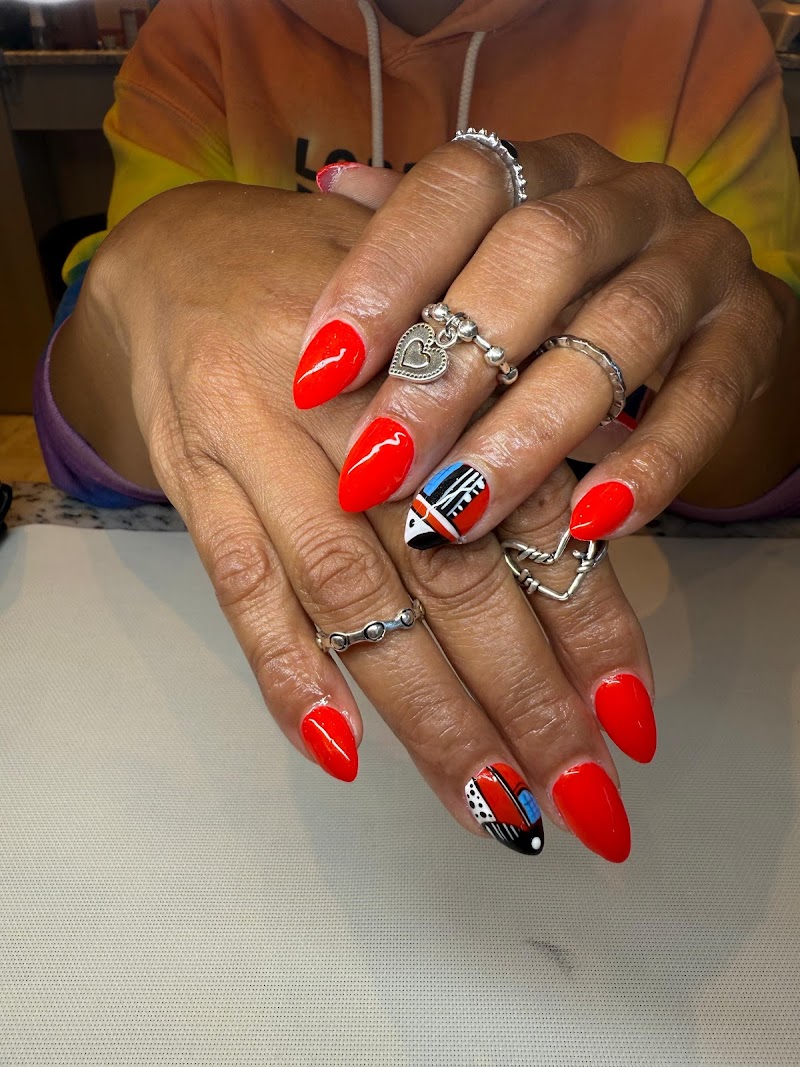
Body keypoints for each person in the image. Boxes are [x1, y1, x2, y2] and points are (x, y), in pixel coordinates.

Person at [34, 0, 800, 864]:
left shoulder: (695, 31)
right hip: (203, 749)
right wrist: (144, 261)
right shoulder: (208, 24)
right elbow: (94, 456)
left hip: (727, 702)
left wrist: (727, 344)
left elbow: (760, 472)